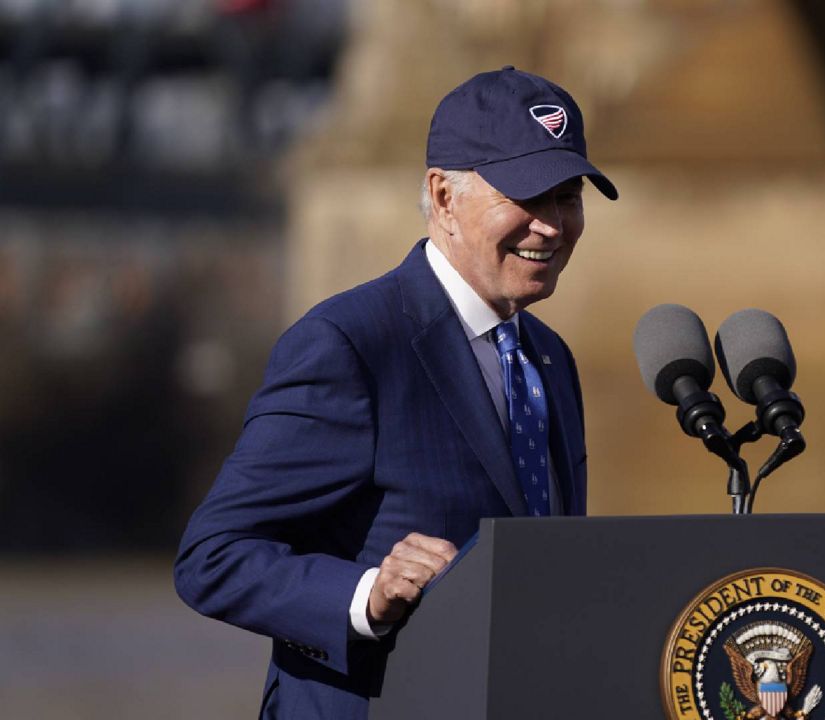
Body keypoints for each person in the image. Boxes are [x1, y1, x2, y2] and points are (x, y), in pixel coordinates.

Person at [174, 66, 618, 719]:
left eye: (567, 196)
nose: (552, 226)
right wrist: (367, 596)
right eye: (527, 196)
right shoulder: (349, 344)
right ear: (443, 197)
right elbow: (212, 558)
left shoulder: (549, 357)